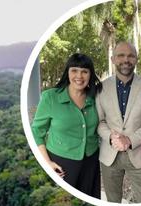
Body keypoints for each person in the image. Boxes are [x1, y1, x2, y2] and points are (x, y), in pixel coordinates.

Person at [31, 53, 103, 198]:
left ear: (90, 74)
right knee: (63, 204)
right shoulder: (50, 97)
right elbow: (37, 132)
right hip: (60, 163)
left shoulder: (96, 97)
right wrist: (47, 162)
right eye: (74, 70)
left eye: (84, 71)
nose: (79, 76)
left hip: (90, 161)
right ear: (67, 73)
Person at [96, 41, 141, 203]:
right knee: (113, 202)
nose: (126, 59)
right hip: (109, 155)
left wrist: (130, 140)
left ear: (136, 59)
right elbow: (100, 122)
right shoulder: (101, 87)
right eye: (121, 55)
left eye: (131, 56)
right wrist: (111, 137)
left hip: (138, 155)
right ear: (113, 59)